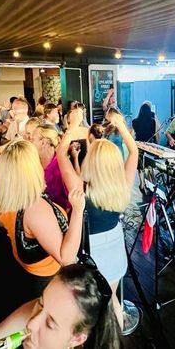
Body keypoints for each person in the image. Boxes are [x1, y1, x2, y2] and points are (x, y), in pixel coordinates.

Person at [58, 109, 138, 327]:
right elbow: (133, 152)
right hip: (115, 245)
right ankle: (118, 330)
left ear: (91, 161)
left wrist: (73, 124)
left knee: (95, 308)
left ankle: (109, 334)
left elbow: (61, 153)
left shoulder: (80, 188)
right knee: (111, 298)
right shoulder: (123, 184)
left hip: (91, 251)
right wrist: (120, 125)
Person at [0, 140, 85, 304]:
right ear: (32, 169)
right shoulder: (35, 209)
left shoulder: (2, 197)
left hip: (24, 270)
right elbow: (66, 257)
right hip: (44, 276)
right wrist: (78, 210)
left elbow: (1, 223)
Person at [0, 264, 121, 349]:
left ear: (77, 339)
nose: (30, 324)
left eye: (50, 324)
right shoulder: (40, 313)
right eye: (40, 303)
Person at [29, 124, 70, 212]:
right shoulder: (33, 163)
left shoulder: (60, 167)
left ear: (43, 143)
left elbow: (69, 204)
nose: (29, 143)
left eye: (32, 139)